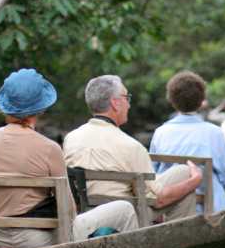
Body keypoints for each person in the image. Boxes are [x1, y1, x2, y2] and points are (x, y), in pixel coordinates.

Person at [0, 69, 139, 248]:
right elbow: (69, 212)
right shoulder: (49, 148)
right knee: (125, 209)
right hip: (35, 240)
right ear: (40, 108)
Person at [63, 75, 203, 222]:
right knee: (186, 178)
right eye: (126, 98)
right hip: (124, 217)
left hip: (85, 212)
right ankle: (178, 241)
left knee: (181, 171)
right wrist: (194, 181)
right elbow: (159, 200)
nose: (129, 105)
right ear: (115, 103)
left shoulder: (71, 138)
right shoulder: (131, 146)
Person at [149, 71, 225, 213]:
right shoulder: (214, 132)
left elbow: (153, 172)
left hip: (171, 206)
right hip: (210, 205)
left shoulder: (161, 132)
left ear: (172, 101)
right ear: (202, 101)